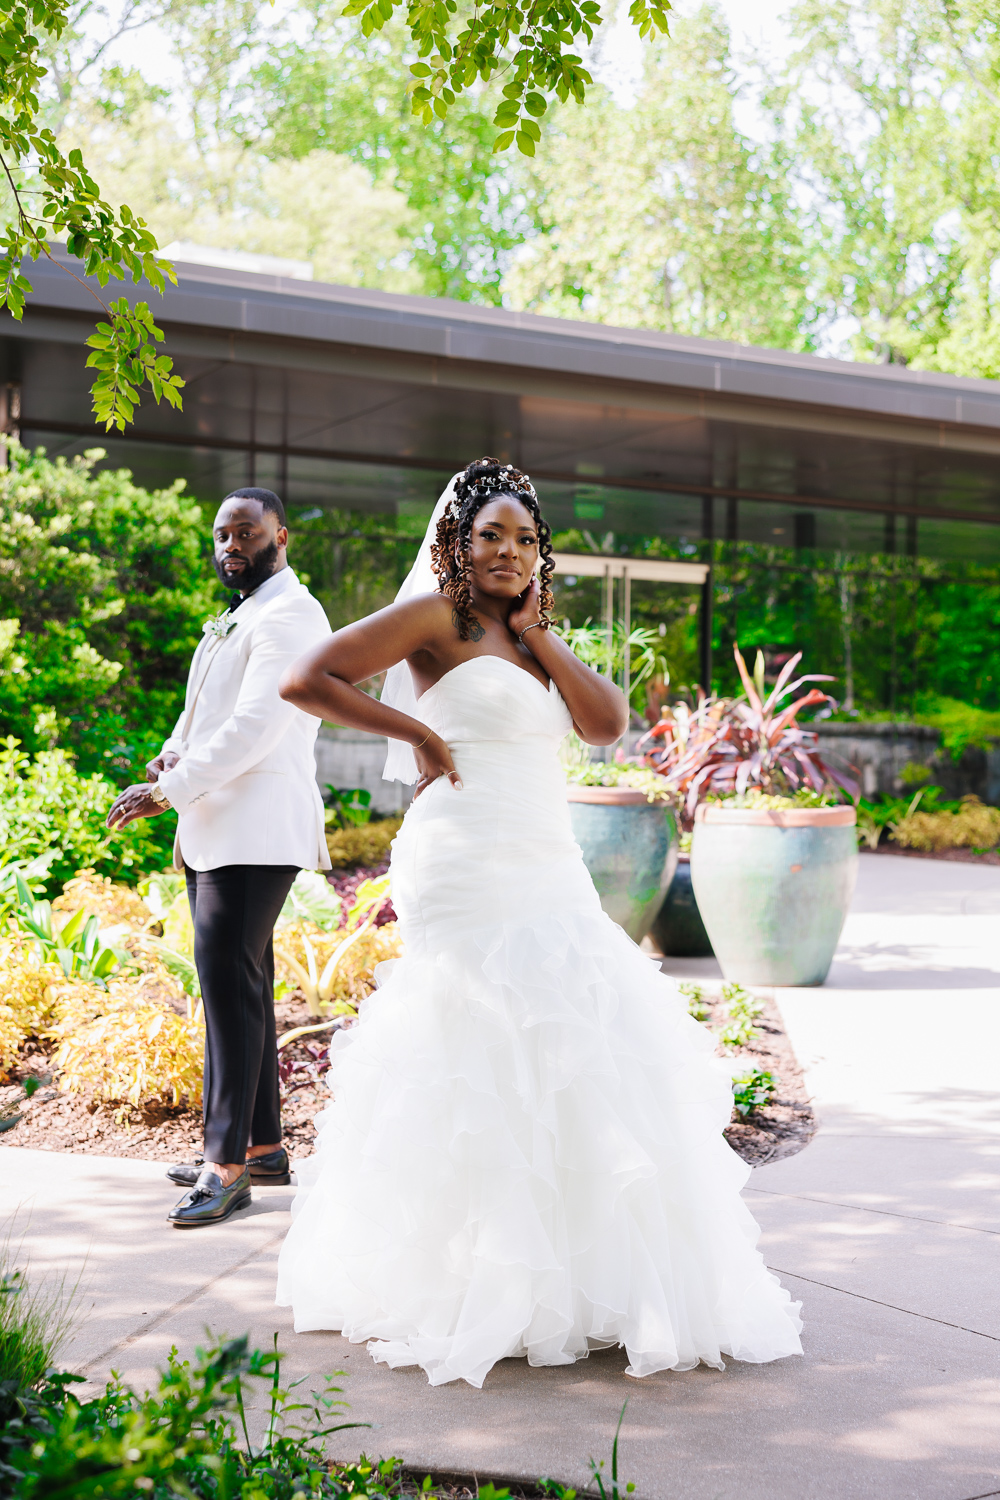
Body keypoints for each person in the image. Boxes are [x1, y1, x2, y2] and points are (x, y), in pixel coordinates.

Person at [274, 457, 804, 1387]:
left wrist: (542, 640)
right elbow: (307, 678)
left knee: (577, 1038)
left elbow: (606, 725)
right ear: (459, 542)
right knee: (475, 1046)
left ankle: (574, 1280)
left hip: (546, 858)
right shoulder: (436, 618)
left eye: (525, 539)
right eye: (492, 536)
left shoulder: (530, 638)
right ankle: (465, 1278)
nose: (509, 552)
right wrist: (420, 736)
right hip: (462, 857)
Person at [107, 487, 332, 1228]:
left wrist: (168, 788)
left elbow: (258, 726)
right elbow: (204, 714)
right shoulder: (243, 613)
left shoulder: (290, 613)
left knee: (227, 993)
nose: (231, 546)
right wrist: (172, 755)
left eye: (246, 533)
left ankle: (224, 1165)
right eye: (222, 535)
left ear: (281, 537)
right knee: (242, 987)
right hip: (223, 826)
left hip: (255, 830)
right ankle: (263, 1148)